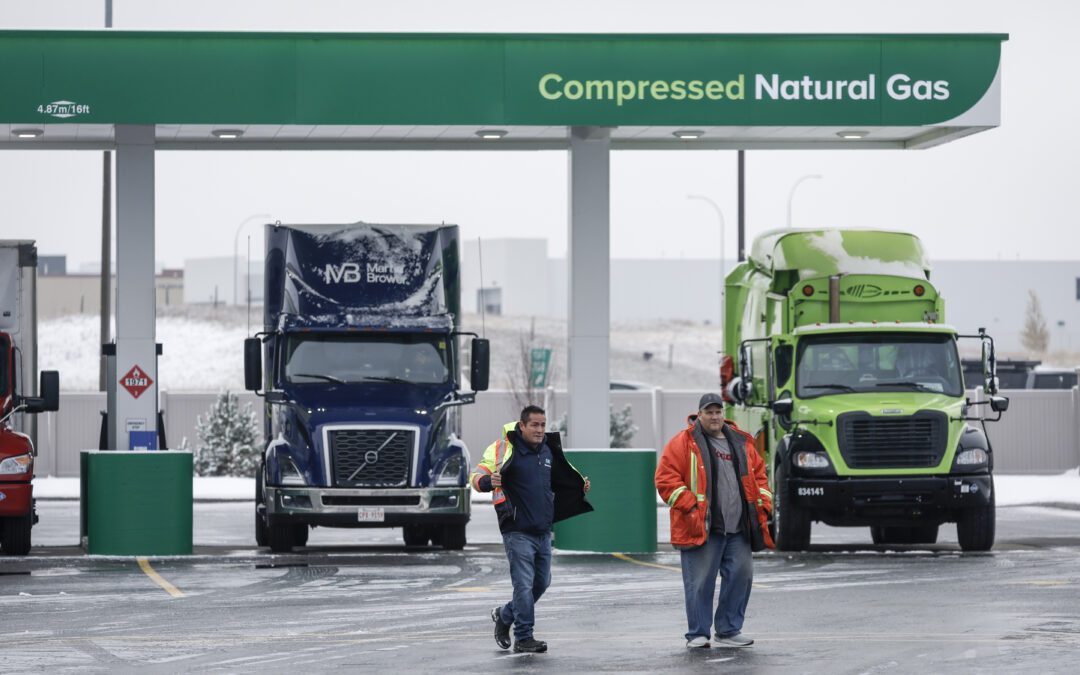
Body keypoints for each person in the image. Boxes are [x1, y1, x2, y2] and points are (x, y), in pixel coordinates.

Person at [470, 405, 593, 653]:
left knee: (542, 583)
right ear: (522, 425)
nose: (539, 430)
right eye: (534, 425)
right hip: (516, 529)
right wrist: (486, 481)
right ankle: (524, 637)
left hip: (542, 530)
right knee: (524, 585)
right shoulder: (504, 448)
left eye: (543, 425)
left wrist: (578, 488)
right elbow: (477, 475)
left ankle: (505, 615)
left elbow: (558, 481)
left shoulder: (548, 450)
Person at [655, 393, 774, 649]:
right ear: (699, 415)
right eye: (708, 412)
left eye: (718, 411)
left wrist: (764, 503)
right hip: (702, 527)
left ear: (723, 414)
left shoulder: (742, 442)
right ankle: (697, 634)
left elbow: (760, 476)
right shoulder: (683, 442)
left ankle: (729, 631)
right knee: (699, 582)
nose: (714, 416)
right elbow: (665, 479)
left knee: (742, 575)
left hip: (739, 528)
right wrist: (690, 504)